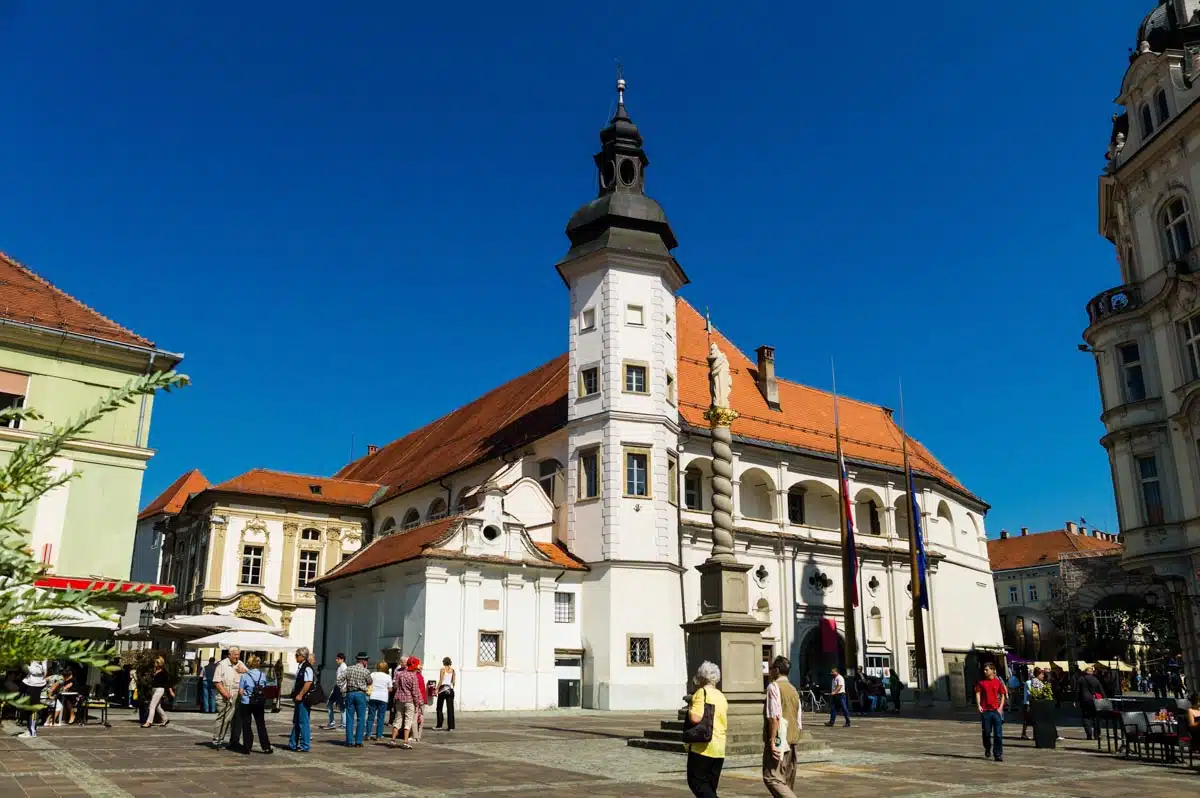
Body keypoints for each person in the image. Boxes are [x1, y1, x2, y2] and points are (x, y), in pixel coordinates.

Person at [685, 661, 727, 798]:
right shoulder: (722, 696)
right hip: (719, 748)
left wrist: (690, 707)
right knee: (710, 786)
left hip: (703, 746)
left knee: (696, 782)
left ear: (702, 677)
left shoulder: (701, 693)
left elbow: (696, 718)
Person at [762, 655, 800, 798]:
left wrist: (772, 741)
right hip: (792, 740)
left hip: (779, 740)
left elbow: (774, 716)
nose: (770, 671)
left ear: (776, 670)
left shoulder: (774, 687)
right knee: (786, 781)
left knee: (772, 778)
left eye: (771, 668)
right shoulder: (794, 690)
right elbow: (798, 719)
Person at [229, 654, 272, 754]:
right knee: (261, 725)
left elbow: (241, 691)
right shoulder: (262, 675)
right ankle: (266, 747)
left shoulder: (245, 676)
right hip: (259, 702)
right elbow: (264, 686)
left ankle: (247, 747)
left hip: (246, 702)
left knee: (246, 725)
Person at [211, 647, 245, 748]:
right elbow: (217, 681)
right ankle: (217, 740)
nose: (237, 657)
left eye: (238, 654)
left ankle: (234, 741)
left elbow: (250, 675)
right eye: (235, 655)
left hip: (237, 697)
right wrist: (224, 693)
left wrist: (244, 671)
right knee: (223, 719)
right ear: (229, 655)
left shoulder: (240, 663)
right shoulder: (222, 665)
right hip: (224, 697)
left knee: (234, 719)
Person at [389, 656, 423, 749]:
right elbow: (415, 692)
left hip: (399, 699)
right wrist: (418, 703)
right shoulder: (413, 676)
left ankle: (393, 740)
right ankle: (405, 741)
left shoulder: (399, 674)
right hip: (409, 701)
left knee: (397, 719)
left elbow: (395, 685)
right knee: (408, 721)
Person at [975, 662, 1006, 761]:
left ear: (992, 670)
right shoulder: (981, 683)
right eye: (984, 670)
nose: (985, 671)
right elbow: (978, 693)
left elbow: (1002, 695)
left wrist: (1000, 708)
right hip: (986, 711)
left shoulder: (998, 682)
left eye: (987, 670)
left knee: (998, 734)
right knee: (987, 733)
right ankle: (987, 748)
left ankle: (998, 754)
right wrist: (979, 705)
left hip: (996, 711)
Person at [287, 647, 314, 753]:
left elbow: (308, 682)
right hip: (298, 698)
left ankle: (305, 745)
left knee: (303, 722)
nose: (295, 657)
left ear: (302, 656)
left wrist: (300, 694)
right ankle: (292, 744)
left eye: (297, 655)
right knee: (297, 721)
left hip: (303, 698)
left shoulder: (307, 668)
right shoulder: (301, 666)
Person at [342, 652, 370, 747]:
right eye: (366, 660)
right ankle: (358, 741)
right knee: (360, 718)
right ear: (363, 661)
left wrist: (343, 689)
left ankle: (349, 741)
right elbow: (370, 681)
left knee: (349, 718)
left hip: (350, 693)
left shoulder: (349, 669)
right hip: (360, 694)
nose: (367, 662)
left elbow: (339, 679)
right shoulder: (366, 671)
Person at [142, 656, 173, 728]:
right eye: (155, 662)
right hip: (154, 689)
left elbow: (168, 682)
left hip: (160, 689)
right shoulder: (154, 670)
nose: (155, 663)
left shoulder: (164, 672)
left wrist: (171, 691)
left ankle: (148, 722)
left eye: (156, 662)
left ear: (160, 663)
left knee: (152, 706)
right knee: (157, 707)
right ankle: (165, 719)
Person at [1076, 665, 1105, 741]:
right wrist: (1104, 699)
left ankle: (1089, 734)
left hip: (1085, 700)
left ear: (1085, 672)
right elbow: (1101, 689)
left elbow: (1077, 691)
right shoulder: (1096, 679)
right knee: (1096, 717)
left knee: (1086, 717)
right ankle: (1097, 735)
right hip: (1095, 700)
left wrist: (1075, 700)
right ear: (1092, 672)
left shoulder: (1081, 679)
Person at [18, 661, 47, 738]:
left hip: (36, 684)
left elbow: (41, 671)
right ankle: (29, 729)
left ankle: (32, 731)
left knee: (33, 708)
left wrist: (25, 666)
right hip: (29, 682)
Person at [366, 661, 392, 741]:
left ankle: (368, 734)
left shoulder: (373, 674)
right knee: (381, 717)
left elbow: (368, 683)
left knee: (371, 717)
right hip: (383, 698)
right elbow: (390, 689)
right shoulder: (388, 677)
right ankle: (378, 735)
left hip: (373, 696)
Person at [323, 652, 347, 730]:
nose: (336, 660)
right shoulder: (340, 667)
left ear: (342, 659)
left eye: (338, 659)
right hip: (337, 688)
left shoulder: (344, 667)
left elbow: (344, 679)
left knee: (341, 706)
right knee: (330, 703)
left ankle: (343, 724)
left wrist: (342, 689)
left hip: (340, 689)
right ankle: (332, 722)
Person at [1019, 667, 1045, 740]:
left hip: (1031, 702)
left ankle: (1030, 734)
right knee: (1027, 719)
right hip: (1027, 703)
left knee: (1031, 719)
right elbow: (1031, 693)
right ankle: (1024, 734)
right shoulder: (1029, 682)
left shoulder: (1036, 682)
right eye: (1042, 674)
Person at [436, 657, 456, 731]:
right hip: (450, 689)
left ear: (444, 662)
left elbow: (441, 680)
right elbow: (453, 681)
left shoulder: (442, 669)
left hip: (443, 688)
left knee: (439, 707)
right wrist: (452, 688)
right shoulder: (453, 670)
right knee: (450, 709)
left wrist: (437, 688)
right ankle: (451, 727)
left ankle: (439, 725)